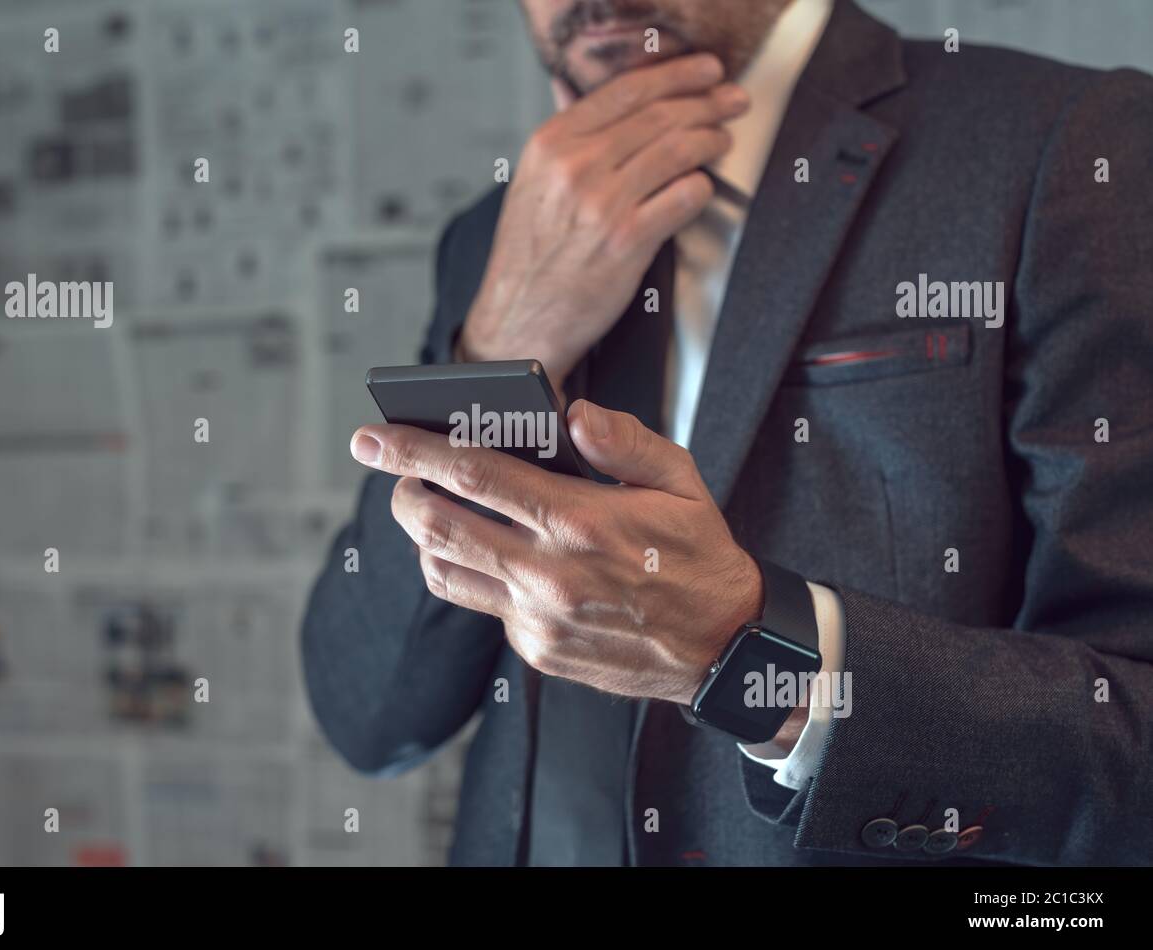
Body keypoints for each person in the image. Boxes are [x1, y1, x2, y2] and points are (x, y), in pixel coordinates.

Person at [302, 0, 1153, 865]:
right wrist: (498, 341)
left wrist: (747, 655)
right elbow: (370, 715)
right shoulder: (492, 235)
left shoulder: (1074, 146)